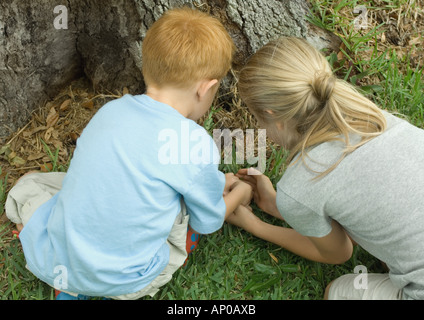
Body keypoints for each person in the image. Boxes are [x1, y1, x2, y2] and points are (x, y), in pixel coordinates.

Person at [5, 7, 252, 300]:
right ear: (206, 88)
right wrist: (240, 191)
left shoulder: (111, 110)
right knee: (181, 218)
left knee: (33, 183)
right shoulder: (195, 143)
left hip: (61, 262)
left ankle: (68, 278)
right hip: (128, 282)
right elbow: (207, 221)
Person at [226, 37, 424, 300]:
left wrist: (255, 225)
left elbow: (339, 252)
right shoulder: (377, 119)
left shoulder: (301, 184)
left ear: (273, 115)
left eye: (257, 119)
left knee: (337, 291)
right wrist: (275, 204)